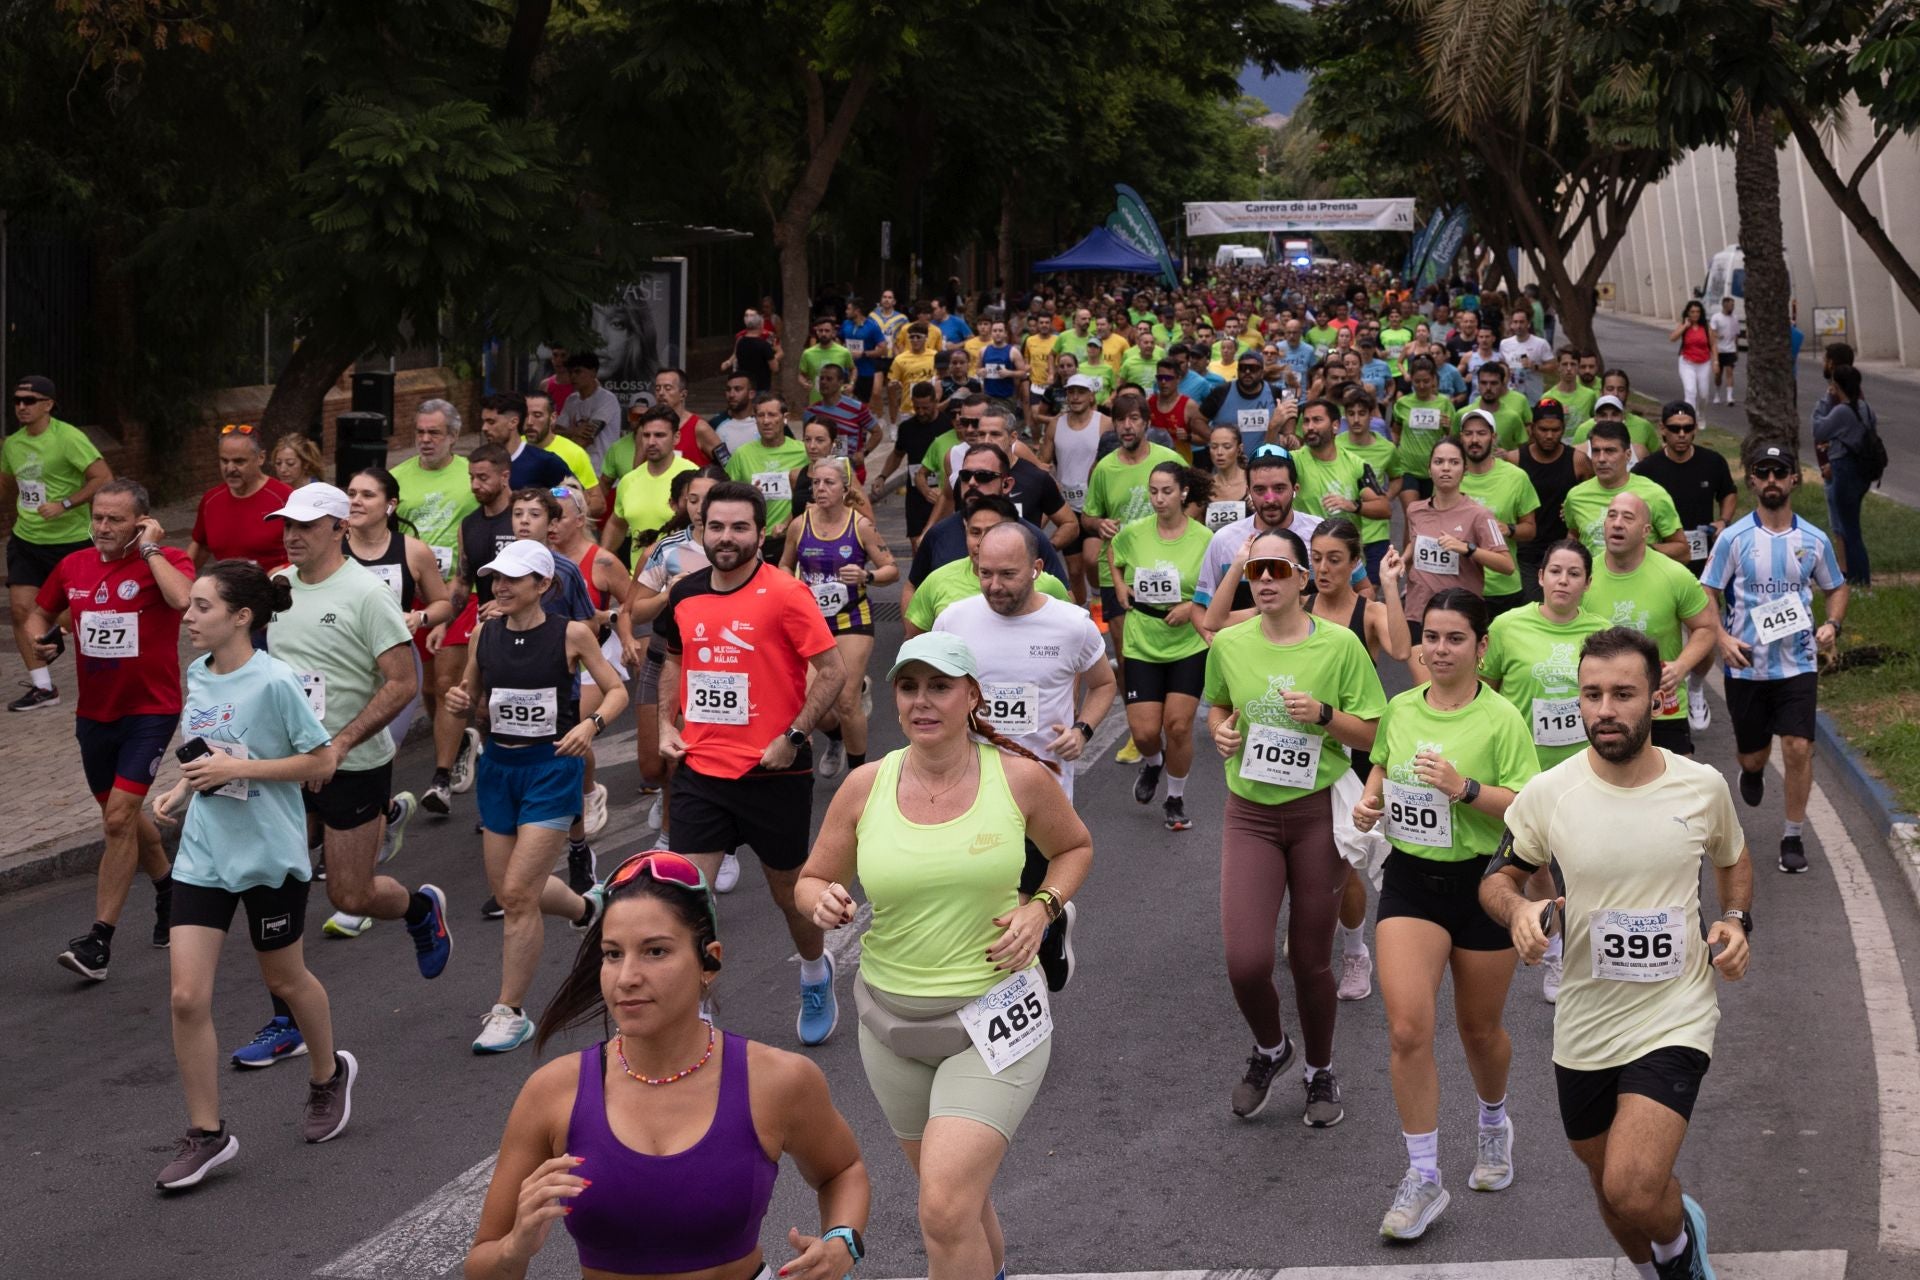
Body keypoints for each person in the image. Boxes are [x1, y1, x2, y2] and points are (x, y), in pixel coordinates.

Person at [796, 632, 1093, 1280]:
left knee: (943, 1205)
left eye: (940, 686)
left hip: (993, 1020)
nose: (922, 701)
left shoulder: (1017, 778)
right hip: (890, 1024)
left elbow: (1074, 848)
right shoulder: (866, 787)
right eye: (908, 686)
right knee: (957, 1202)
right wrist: (821, 902)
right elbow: (811, 879)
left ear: (972, 696)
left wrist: (1042, 906)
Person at [1482, 626, 1752, 1280]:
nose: (1605, 708)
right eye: (1592, 694)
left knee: (1632, 1185)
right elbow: (1499, 878)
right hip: (1585, 1020)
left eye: (1623, 693)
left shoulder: (1701, 787)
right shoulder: (1552, 793)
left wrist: (1737, 921)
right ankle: (1668, 1254)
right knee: (1613, 1191)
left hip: (1676, 1012)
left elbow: (1734, 858)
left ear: (1657, 698)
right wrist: (1519, 910)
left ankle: (1683, 1253)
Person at [466, 849, 871, 1278]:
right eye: (612, 954)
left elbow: (842, 1171)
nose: (627, 977)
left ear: (708, 962)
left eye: (655, 952)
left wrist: (842, 1242)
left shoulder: (777, 1080)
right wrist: (515, 1247)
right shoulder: (553, 1092)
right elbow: (482, 1264)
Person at [149, 560, 356, 1190]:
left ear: (242, 617)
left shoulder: (275, 682)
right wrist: (182, 791)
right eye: (191, 607)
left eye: (203, 607)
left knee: (285, 977)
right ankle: (207, 1133)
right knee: (187, 995)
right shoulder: (196, 674)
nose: (189, 616)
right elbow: (210, 751)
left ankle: (328, 1076)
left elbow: (321, 760)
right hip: (206, 854)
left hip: (269, 855)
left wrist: (241, 774)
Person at [229, 481, 443, 1070]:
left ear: (338, 529)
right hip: (287, 768)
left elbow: (403, 681)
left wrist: (340, 743)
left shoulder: (366, 595)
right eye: (286, 526)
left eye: (305, 525)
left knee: (350, 893)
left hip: (354, 764)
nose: (291, 535)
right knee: (274, 885)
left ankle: (421, 910)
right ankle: (285, 1021)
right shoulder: (277, 589)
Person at [1352, 589, 1539, 1239]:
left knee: (1479, 1031)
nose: (1439, 649)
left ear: (1480, 647)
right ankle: (1423, 1177)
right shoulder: (1402, 708)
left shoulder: (1502, 718)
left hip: (1484, 884)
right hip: (1409, 881)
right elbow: (1380, 764)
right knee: (1407, 1028)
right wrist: (1370, 802)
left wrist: (1463, 788)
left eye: (1455, 638)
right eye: (1430, 637)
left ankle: (1493, 1123)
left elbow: (1525, 805)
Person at [1204, 528, 1386, 1125]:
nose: (1263, 581)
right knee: (1246, 962)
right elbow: (1219, 705)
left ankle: (1320, 1070)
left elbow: (1374, 734)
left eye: (1277, 570)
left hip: (1314, 815)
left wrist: (1325, 715)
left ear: (1303, 579)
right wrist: (1220, 730)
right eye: (1256, 571)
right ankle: (1270, 1048)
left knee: (1311, 960)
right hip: (1250, 814)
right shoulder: (1230, 644)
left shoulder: (1339, 647)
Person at [655, 481, 847, 1045]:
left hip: (774, 772)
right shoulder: (685, 593)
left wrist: (793, 736)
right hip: (701, 770)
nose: (727, 538)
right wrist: (668, 724)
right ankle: (699, 1009)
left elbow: (832, 672)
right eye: (717, 527)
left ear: (761, 534)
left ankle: (815, 973)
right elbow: (671, 659)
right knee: (689, 898)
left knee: (790, 896)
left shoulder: (786, 594)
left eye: (740, 528)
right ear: (701, 531)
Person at [441, 540, 627, 1053]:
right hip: (499, 770)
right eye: (496, 577)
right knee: (510, 890)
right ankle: (587, 910)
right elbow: (469, 699)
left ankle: (511, 1011)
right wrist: (459, 701)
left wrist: (591, 725)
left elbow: (616, 691)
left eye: (512, 579)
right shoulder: (485, 633)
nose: (499, 587)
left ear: (542, 586)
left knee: (519, 895)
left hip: (551, 770)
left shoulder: (570, 634)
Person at [934, 521, 1114, 990]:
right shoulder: (955, 620)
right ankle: (1040, 936)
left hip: (1040, 794)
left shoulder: (1071, 624)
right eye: (985, 572)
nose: (994, 585)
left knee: (1013, 912)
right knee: (980, 907)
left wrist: (1082, 730)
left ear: (1036, 569)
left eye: (1007, 574)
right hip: (967, 787)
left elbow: (1103, 684)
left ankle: (1020, 1011)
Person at [32, 480, 190, 981]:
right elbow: (42, 610)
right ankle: (169, 889)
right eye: (98, 517)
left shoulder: (166, 560)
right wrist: (45, 642)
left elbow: (184, 599)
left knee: (119, 819)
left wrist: (149, 550)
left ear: (141, 522)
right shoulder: (73, 566)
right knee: (118, 815)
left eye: (115, 519)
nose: (102, 527)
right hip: (94, 716)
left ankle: (99, 941)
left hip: (151, 711)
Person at [1704, 440, 1847, 874]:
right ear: (1751, 481)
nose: (1771, 480)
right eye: (1763, 473)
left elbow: (1836, 587)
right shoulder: (1734, 538)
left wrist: (1831, 625)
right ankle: (1752, 769)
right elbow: (1707, 589)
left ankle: (1792, 835)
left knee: (1799, 747)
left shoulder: (1814, 540)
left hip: (1797, 663)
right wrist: (1722, 638)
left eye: (1778, 473)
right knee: (1753, 756)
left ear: (1793, 480)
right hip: (1746, 665)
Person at [1478, 538, 1611, 1001]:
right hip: (1525, 772)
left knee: (1585, 867)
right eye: (1555, 571)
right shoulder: (1507, 626)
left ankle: (1588, 949)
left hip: (1584, 769)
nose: (1563, 581)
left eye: (1574, 574)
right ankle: (1554, 951)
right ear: (1540, 576)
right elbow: (1487, 695)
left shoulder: (1602, 634)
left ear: (1587, 583)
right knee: (1534, 865)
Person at [624, 468, 724, 868]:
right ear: (685, 504)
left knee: (688, 759)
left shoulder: (735, 548)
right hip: (663, 658)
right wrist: (669, 592)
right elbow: (636, 610)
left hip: (713, 668)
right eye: (694, 499)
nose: (701, 507)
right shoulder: (667, 550)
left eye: (710, 498)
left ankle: (689, 838)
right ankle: (675, 818)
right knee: (653, 765)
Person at [1109, 461, 1214, 831]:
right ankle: (1154, 764)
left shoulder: (1204, 539)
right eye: (1153, 491)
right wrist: (1120, 587)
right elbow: (1114, 553)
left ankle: (1175, 797)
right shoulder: (1135, 533)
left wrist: (1190, 607)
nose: (1158, 499)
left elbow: (1216, 586)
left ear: (1183, 492)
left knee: (1178, 725)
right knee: (1145, 734)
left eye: (1166, 491)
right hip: (1142, 641)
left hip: (1187, 644)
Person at [781, 456, 899, 779]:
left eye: (829, 483)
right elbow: (783, 566)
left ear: (845, 489)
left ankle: (858, 778)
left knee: (846, 701)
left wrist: (866, 576)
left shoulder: (859, 525)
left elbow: (891, 569)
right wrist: (791, 587)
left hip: (851, 619)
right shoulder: (799, 525)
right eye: (816, 483)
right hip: (810, 622)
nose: (820, 488)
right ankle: (835, 739)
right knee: (810, 702)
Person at [1581, 493, 1720, 758]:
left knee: (1673, 792)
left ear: (1646, 531)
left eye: (1627, 517)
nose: (1617, 523)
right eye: (1612, 515)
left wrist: (1681, 666)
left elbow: (1706, 627)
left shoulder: (1674, 575)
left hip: (1662, 703)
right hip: (1603, 707)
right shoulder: (1584, 576)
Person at [5, 375, 112, 710]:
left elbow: (103, 478)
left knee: (76, 614)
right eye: (17, 400)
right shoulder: (12, 444)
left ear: (48, 404)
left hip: (72, 541)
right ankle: (43, 687)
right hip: (26, 539)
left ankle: (104, 667)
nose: (22, 406)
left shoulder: (69, 438)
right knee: (21, 610)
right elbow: (9, 485)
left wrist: (66, 504)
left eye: (30, 400)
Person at [420, 443, 514, 815]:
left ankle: (503, 797)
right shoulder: (470, 524)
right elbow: (462, 580)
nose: (475, 485)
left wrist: (508, 604)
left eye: (483, 477)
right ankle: (450, 780)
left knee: (498, 711)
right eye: (471, 477)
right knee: (461, 695)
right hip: (484, 623)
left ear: (504, 477)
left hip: (522, 625)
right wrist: (443, 619)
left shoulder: (522, 517)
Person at [1084, 394, 1184, 658]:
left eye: (1134, 419)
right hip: (1117, 567)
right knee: (1125, 650)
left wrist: (1179, 530)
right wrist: (1099, 524)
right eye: (1120, 420)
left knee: (1163, 644)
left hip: (1162, 563)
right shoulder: (1104, 469)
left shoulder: (1170, 461)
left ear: (1146, 424)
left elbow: (1197, 501)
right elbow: (1088, 517)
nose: (1127, 426)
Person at [1401, 438, 1511, 672]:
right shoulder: (1415, 510)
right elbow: (1415, 541)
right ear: (1429, 469)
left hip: (1460, 617)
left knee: (1454, 686)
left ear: (1465, 470)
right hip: (1418, 611)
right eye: (1439, 462)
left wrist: (1468, 549)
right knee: (1423, 686)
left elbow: (1506, 564)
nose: (1446, 468)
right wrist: (1402, 560)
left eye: (1453, 462)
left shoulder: (1481, 515)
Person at [903, 497, 1076, 636]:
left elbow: (1074, 644)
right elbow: (915, 643)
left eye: (993, 531)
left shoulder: (1048, 586)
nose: (982, 542)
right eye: (975, 532)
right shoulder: (938, 580)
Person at [1562, 422, 1687, 563]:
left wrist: (1641, 550)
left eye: (1610, 451)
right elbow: (1574, 535)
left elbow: (1683, 552)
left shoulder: (1654, 494)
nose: (1601, 459)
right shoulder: (1576, 496)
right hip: (1595, 582)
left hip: (1640, 581)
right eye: (1596, 451)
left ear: (1628, 455)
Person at [1457, 410, 1541, 619]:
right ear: (1461, 438)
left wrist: (1509, 529)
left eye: (1482, 433)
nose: (1475, 440)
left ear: (1493, 438)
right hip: (1460, 584)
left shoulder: (1516, 477)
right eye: (1468, 434)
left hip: (1503, 588)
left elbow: (1530, 529)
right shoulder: (1451, 476)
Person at [1508, 399, 1593, 601]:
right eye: (1543, 429)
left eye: (1555, 430)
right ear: (1531, 429)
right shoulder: (1515, 460)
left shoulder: (1578, 461)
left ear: (1563, 429)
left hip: (1563, 549)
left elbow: (1592, 498)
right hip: (1526, 551)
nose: (1549, 435)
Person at [186, 423, 293, 573]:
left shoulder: (286, 498)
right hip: (226, 591)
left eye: (239, 461)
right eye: (224, 461)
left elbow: (313, 551)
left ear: (260, 458)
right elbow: (201, 546)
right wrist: (179, 579)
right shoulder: (211, 500)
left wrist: (283, 571)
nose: (230, 469)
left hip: (277, 591)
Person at [602, 406, 697, 570]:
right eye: (646, 435)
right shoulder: (628, 481)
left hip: (684, 581)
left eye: (659, 435)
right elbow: (617, 524)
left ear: (676, 437)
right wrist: (601, 560)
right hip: (638, 582)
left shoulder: (694, 477)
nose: (651, 442)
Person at [723, 392, 811, 567]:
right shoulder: (742, 454)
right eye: (760, 415)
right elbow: (725, 494)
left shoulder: (803, 452)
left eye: (772, 415)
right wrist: (748, 494)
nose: (766, 421)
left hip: (791, 537)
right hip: (754, 538)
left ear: (785, 417)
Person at [1814, 363, 1875, 588]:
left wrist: (1827, 402)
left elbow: (1818, 430)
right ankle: (1858, 578)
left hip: (1845, 470)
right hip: (1862, 472)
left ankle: (1859, 580)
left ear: (1836, 386)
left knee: (1849, 529)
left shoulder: (1840, 411)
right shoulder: (1865, 408)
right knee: (1851, 525)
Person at [1337, 388, 1403, 584]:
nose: (1356, 419)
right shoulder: (1335, 445)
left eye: (1362, 413)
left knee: (1372, 592)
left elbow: (1397, 477)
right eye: (1351, 414)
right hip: (1345, 529)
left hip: (1376, 531)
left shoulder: (1387, 448)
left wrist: (1384, 498)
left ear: (1371, 415)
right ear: (1344, 416)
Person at [522, 391, 606, 519]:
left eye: (537, 415)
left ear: (553, 418)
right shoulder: (512, 448)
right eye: (525, 415)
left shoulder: (574, 453)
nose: (529, 422)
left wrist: (566, 515)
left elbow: (598, 504)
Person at [480, 392, 573, 492]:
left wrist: (546, 497)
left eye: (491, 422)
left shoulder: (544, 461)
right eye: (483, 422)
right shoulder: (481, 461)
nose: (484, 428)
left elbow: (572, 493)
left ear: (513, 422)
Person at [556, 353, 623, 470]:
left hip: (602, 471)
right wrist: (574, 431)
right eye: (570, 372)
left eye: (578, 372)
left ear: (593, 372)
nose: (573, 377)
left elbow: (586, 438)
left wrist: (565, 439)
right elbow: (556, 432)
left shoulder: (606, 399)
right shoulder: (571, 400)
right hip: (576, 469)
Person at [1668, 300, 1715, 421]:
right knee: (1690, 391)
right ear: (1688, 313)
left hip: (1704, 363)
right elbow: (1672, 338)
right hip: (1687, 362)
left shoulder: (1705, 327)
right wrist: (1685, 326)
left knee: (1704, 394)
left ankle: (1701, 415)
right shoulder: (1685, 326)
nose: (1695, 314)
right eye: (1692, 312)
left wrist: (1716, 362)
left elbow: (1714, 345)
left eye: (1697, 312)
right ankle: (1691, 419)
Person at [1708, 295, 1740, 405]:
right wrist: (1717, 336)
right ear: (1725, 305)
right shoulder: (1716, 317)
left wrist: (1737, 350)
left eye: (1733, 305)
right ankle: (1717, 394)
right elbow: (1711, 332)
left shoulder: (1735, 318)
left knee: (1729, 372)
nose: (1733, 307)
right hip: (1719, 350)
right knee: (1718, 375)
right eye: (1731, 305)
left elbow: (1736, 335)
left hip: (1730, 349)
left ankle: (1729, 397)